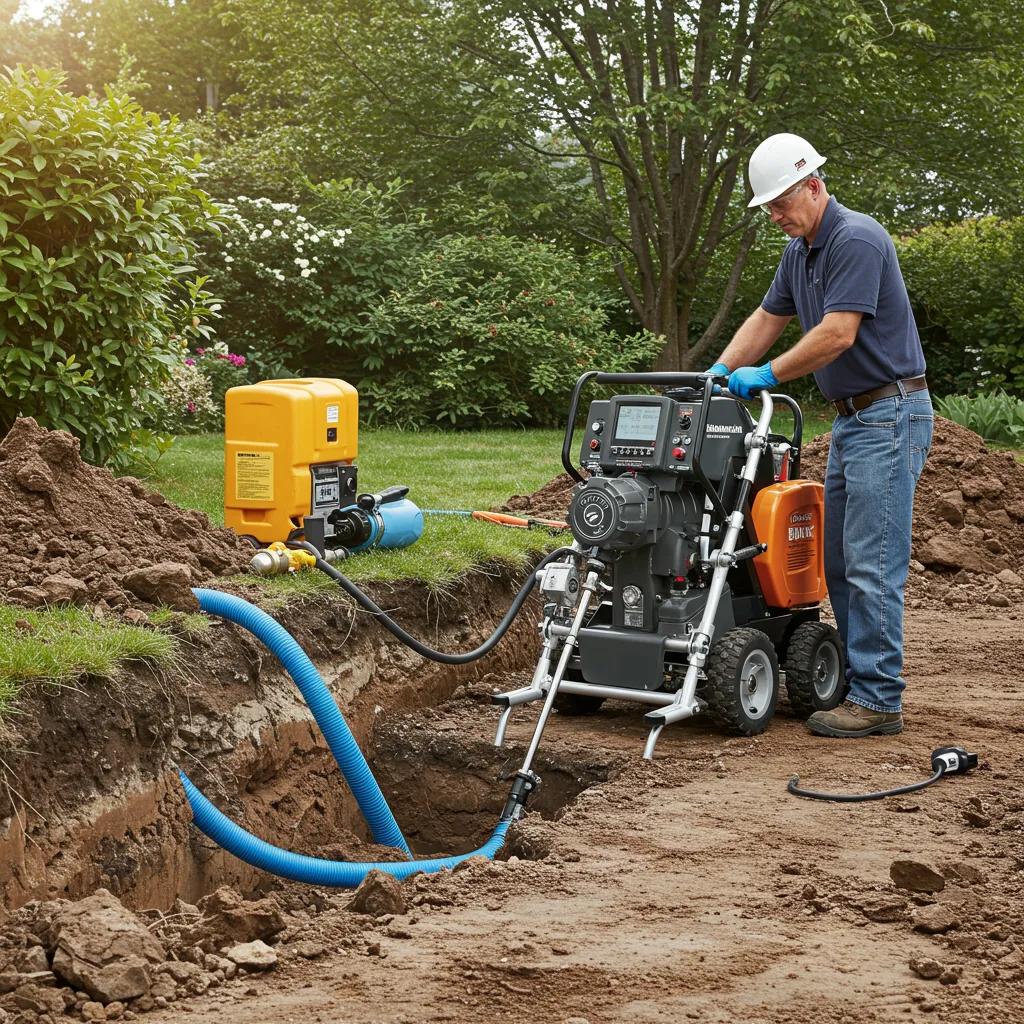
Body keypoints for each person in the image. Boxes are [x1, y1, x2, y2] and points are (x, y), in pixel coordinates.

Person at [706, 132, 933, 738]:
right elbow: (766, 318)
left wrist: (768, 374)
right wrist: (722, 372)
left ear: (814, 184)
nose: (775, 215)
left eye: (781, 202)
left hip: (890, 413)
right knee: (837, 561)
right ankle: (863, 685)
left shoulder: (855, 238)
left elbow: (837, 334)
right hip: (855, 418)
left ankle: (880, 700)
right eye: (769, 207)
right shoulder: (799, 250)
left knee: (871, 561)